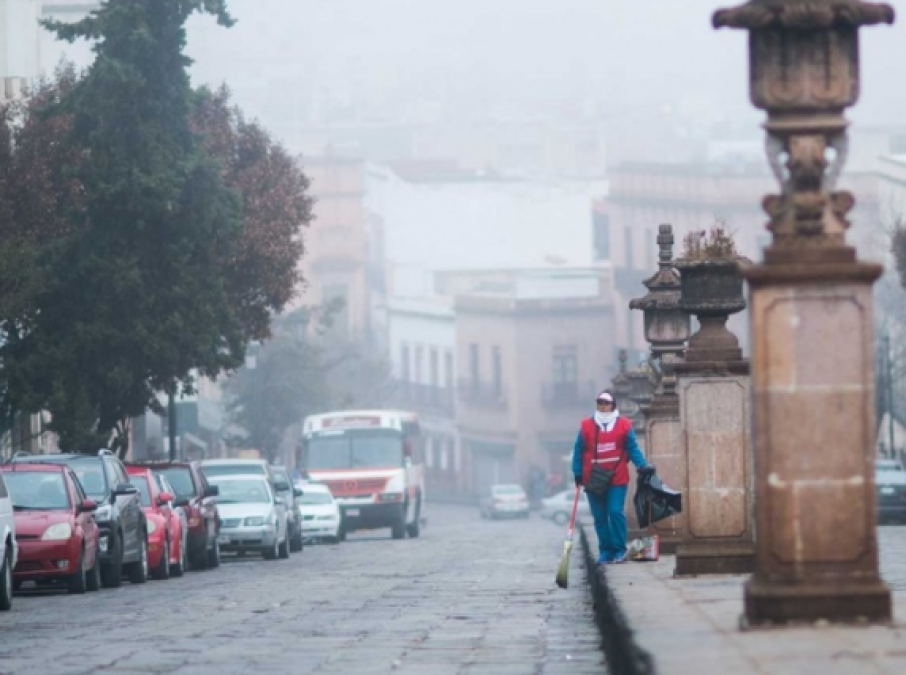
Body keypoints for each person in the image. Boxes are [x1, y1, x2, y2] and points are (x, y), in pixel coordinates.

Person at [571, 389, 653, 565]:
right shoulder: (586, 425)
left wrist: (642, 465)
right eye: (600, 402)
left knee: (615, 511)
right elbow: (578, 450)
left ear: (612, 405)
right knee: (600, 517)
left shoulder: (624, 425)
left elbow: (632, 448)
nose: (602, 406)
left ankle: (619, 550)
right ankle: (605, 552)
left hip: (617, 477)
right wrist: (577, 472)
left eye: (606, 403)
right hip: (592, 478)